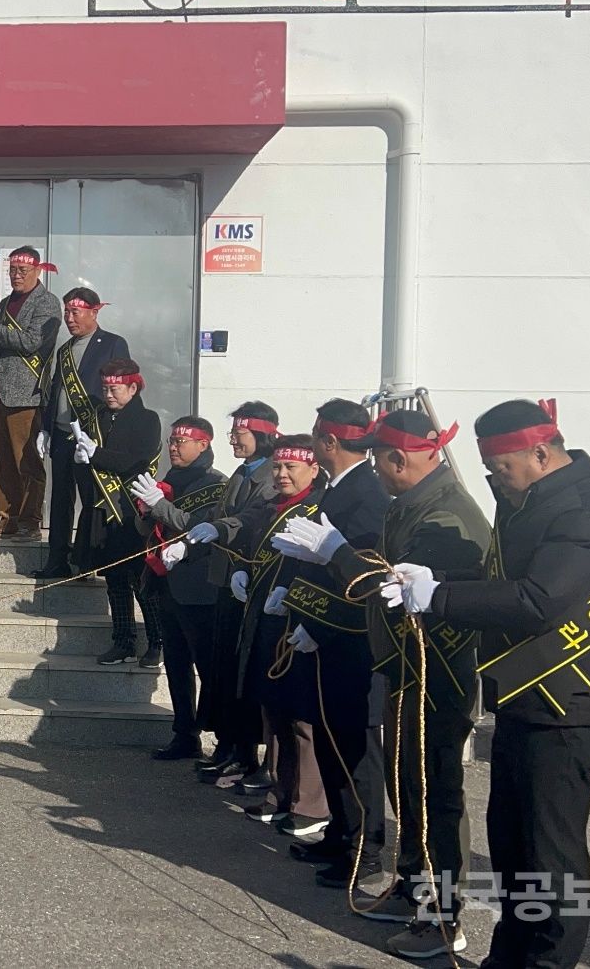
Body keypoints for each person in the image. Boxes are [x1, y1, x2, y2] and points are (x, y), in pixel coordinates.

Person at [391, 399, 590, 969]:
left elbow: (540, 599)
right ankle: (508, 959)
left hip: (569, 703)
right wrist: (439, 580)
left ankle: (547, 962)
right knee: (511, 847)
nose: (493, 480)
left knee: (551, 858)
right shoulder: (531, 498)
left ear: (541, 451)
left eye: (500, 468)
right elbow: (501, 578)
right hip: (526, 698)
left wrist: (440, 598)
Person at [280, 408, 487, 960]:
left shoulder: (447, 515)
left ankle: (443, 918)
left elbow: (402, 589)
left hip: (435, 678)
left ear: (398, 459)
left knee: (436, 797)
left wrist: (336, 555)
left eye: (376, 457)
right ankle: (413, 885)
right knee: (408, 790)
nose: (373, 466)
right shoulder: (412, 503)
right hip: (403, 671)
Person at [188, 434, 329, 837]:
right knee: (275, 714)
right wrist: (242, 569)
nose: (282, 474)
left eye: (291, 468)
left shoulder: (317, 509)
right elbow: (250, 536)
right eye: (278, 468)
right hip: (263, 621)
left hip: (298, 625)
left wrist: (295, 597)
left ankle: (310, 804)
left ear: (313, 469)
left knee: (301, 720)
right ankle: (280, 794)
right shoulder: (270, 507)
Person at [277, 400, 391, 886]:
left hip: (350, 642)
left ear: (328, 442)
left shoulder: (366, 494)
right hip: (322, 637)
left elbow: (362, 578)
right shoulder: (335, 487)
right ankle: (340, 834)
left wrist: (318, 625)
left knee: (356, 750)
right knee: (329, 741)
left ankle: (364, 850)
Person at [190, 402, 280, 785]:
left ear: (261, 435)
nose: (232, 440)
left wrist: (221, 529)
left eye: (239, 434)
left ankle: (244, 752)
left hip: (251, 583)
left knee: (242, 675)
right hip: (226, 580)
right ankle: (228, 745)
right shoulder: (242, 473)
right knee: (222, 670)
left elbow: (252, 520)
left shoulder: (271, 477)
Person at [130, 418, 227, 760]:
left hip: (199, 586)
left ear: (204, 444)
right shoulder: (169, 479)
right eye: (172, 441)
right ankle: (184, 734)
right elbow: (150, 527)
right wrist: (145, 510)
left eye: (183, 441)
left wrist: (160, 506)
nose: (174, 446)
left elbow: (198, 528)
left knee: (208, 666)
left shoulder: (217, 484)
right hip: (165, 582)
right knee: (175, 663)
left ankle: (225, 741)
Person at [0, 246, 61, 542]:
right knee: (2, 461)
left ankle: (30, 521)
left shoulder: (47, 303)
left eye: (23, 271)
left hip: (25, 393)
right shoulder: (6, 302)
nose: (16, 276)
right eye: (13, 270)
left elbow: (32, 341)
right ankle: (8, 518)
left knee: (26, 460)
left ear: (37, 270)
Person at [69, 359, 161, 666]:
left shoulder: (147, 419)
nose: (108, 394)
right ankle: (123, 641)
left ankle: (156, 642)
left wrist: (96, 454)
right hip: (101, 510)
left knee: (140, 580)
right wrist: (82, 459)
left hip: (130, 510)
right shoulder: (97, 418)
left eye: (115, 388)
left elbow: (135, 461)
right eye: (105, 387)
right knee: (115, 580)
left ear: (133, 388)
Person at [36, 288, 130, 580]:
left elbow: (121, 391)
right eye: (66, 312)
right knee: (60, 499)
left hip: (92, 438)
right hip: (62, 434)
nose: (69, 318)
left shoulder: (112, 344)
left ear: (94, 312)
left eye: (75, 312)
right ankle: (57, 559)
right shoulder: (64, 349)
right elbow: (55, 392)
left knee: (91, 500)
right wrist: (46, 428)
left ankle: (88, 560)